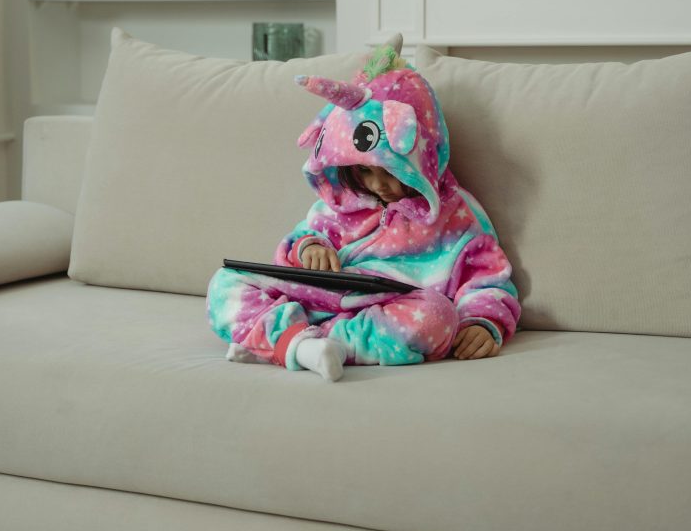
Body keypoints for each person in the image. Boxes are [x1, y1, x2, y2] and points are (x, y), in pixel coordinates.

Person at [206, 47, 521, 382]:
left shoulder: (456, 216)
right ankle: (296, 345)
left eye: (392, 172)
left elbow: (486, 278)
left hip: (388, 312)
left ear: (422, 158)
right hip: (317, 298)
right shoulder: (343, 202)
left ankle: (300, 345)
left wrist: (483, 321)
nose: (378, 185)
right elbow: (301, 238)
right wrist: (309, 247)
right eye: (365, 173)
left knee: (437, 316)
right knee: (225, 283)